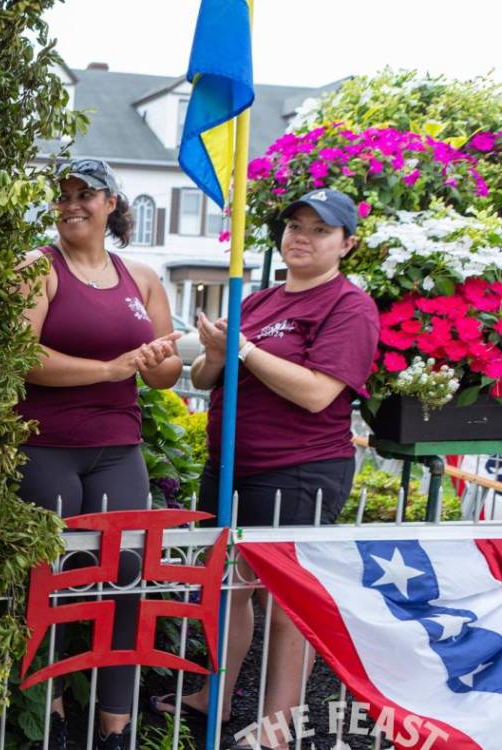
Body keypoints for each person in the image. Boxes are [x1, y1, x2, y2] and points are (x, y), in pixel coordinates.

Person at [153, 189, 378, 749]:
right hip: (231, 463)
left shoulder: (348, 306)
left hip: (298, 467)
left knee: (283, 597)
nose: (300, 237)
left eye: (319, 230)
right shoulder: (258, 301)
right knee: (229, 584)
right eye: (294, 225)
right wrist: (216, 351)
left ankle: (277, 725)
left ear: (346, 244)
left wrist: (245, 351)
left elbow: (317, 394)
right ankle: (218, 696)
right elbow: (206, 380)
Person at [15, 158, 182, 748]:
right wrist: (109, 369)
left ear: (112, 203)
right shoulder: (39, 269)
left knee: (128, 575)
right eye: (62, 195)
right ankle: (50, 714)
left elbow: (164, 375)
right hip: (48, 445)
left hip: (118, 447)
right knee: (55, 575)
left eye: (85, 194)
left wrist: (171, 355)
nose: (71, 205)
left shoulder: (142, 279)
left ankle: (116, 723)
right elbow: (23, 358)